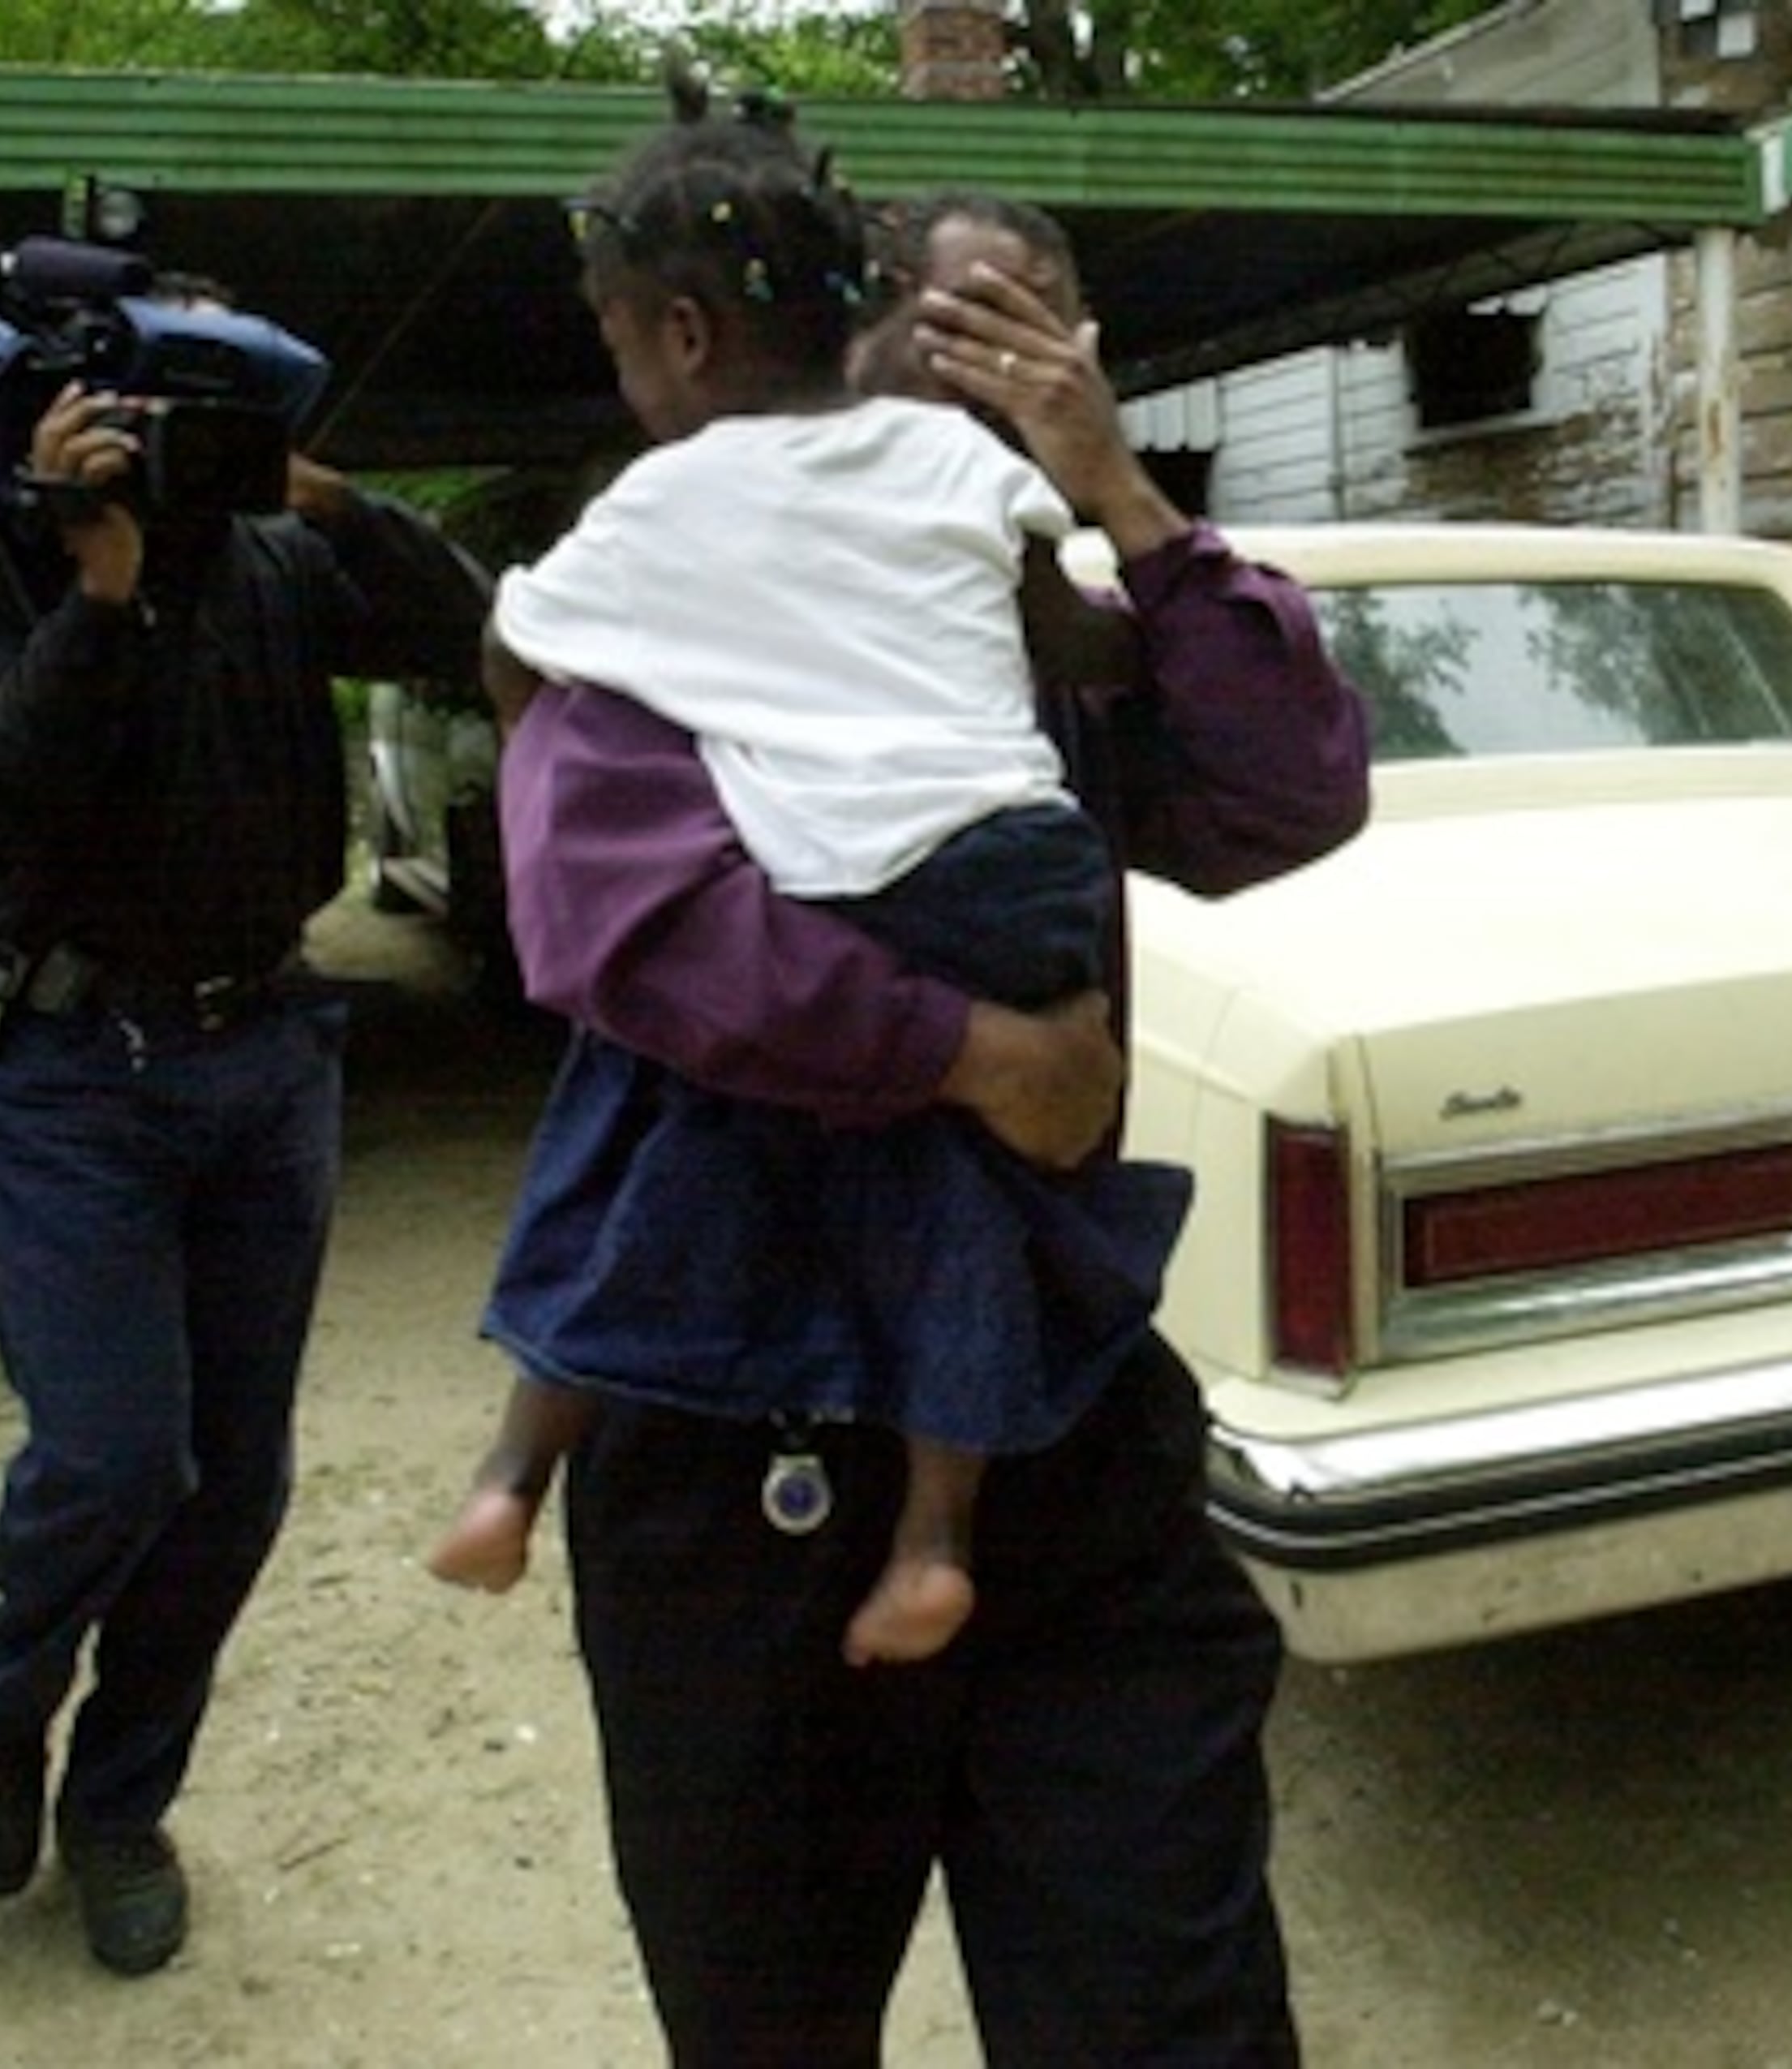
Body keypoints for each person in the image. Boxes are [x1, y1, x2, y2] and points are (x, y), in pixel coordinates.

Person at [489, 187, 1370, 2063]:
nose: (968, 346)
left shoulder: (1045, 614)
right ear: (825, 330)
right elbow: (608, 917)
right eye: (924, 305)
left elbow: (1293, 799)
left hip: (1064, 1428)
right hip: (743, 1460)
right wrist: (972, 1051)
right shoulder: (687, 581)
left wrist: (1127, 502)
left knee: (1174, 2011)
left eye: (1024, 318)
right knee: (770, 2019)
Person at [427, 95, 1188, 1668]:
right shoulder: (937, 456)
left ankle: (516, 1467)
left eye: (620, 341)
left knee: (636, 1112)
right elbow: (1079, 633)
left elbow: (512, 648)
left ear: (687, 336)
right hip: (1016, 866)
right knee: (977, 1180)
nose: (625, 376)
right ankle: (933, 1541)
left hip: (836, 880)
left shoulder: (648, 508)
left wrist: (558, 712)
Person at [0, 308, 488, 1977]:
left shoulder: (270, 558)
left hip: (266, 1056)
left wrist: (321, 499)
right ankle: (5, 1706)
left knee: (234, 1483)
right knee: (112, 1455)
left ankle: (119, 1805)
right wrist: (94, 579)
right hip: (71, 1064)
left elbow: (464, 634)